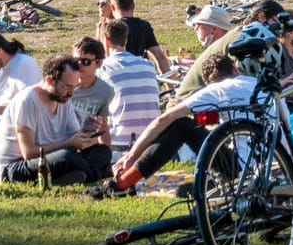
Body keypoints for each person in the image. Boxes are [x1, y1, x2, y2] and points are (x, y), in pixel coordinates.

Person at [98, 49, 260, 197]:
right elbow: (218, 121)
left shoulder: (218, 90)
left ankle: (124, 182)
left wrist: (131, 156)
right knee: (188, 188)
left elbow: (165, 119)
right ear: (236, 69)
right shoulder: (259, 85)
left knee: (181, 125)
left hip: (243, 169)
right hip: (277, 167)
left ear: (210, 83)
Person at [0, 56, 96, 186]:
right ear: (50, 80)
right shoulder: (27, 101)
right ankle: (95, 175)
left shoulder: (63, 99)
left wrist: (86, 133)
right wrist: (69, 143)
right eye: (67, 87)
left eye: (74, 87)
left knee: (101, 152)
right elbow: (28, 153)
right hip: (14, 167)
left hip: (49, 158)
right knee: (67, 157)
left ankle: (64, 177)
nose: (71, 93)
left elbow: (74, 139)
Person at [99, 20, 161, 150]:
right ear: (126, 39)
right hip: (152, 138)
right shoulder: (148, 65)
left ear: (106, 40)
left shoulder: (103, 69)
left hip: (120, 142)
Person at [64, 37, 115, 178]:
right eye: (75, 61)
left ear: (98, 63)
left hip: (84, 145)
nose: (79, 65)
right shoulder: (63, 85)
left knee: (102, 153)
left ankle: (81, 173)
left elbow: (102, 125)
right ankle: (88, 173)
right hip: (62, 141)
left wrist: (107, 153)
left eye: (85, 62)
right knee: (68, 156)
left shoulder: (106, 91)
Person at [107, 0, 168, 74]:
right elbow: (159, 56)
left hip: (118, 76)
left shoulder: (110, 28)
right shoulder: (144, 26)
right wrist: (170, 84)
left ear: (112, 7)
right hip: (141, 73)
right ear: (133, 5)